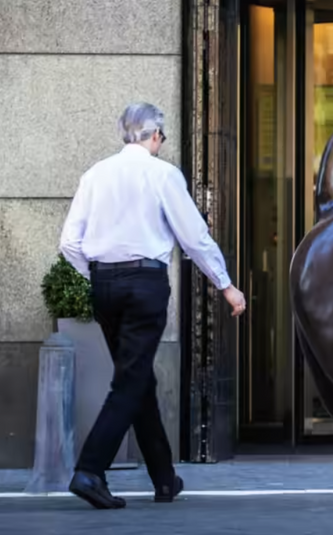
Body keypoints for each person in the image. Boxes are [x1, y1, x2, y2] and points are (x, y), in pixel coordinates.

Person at [59, 102, 246, 509]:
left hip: (104, 283)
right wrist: (226, 285)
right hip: (144, 283)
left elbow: (69, 244)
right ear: (156, 135)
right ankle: (90, 469)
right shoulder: (162, 174)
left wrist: (96, 277)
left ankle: (164, 479)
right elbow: (194, 237)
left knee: (137, 378)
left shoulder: (95, 174)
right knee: (129, 382)